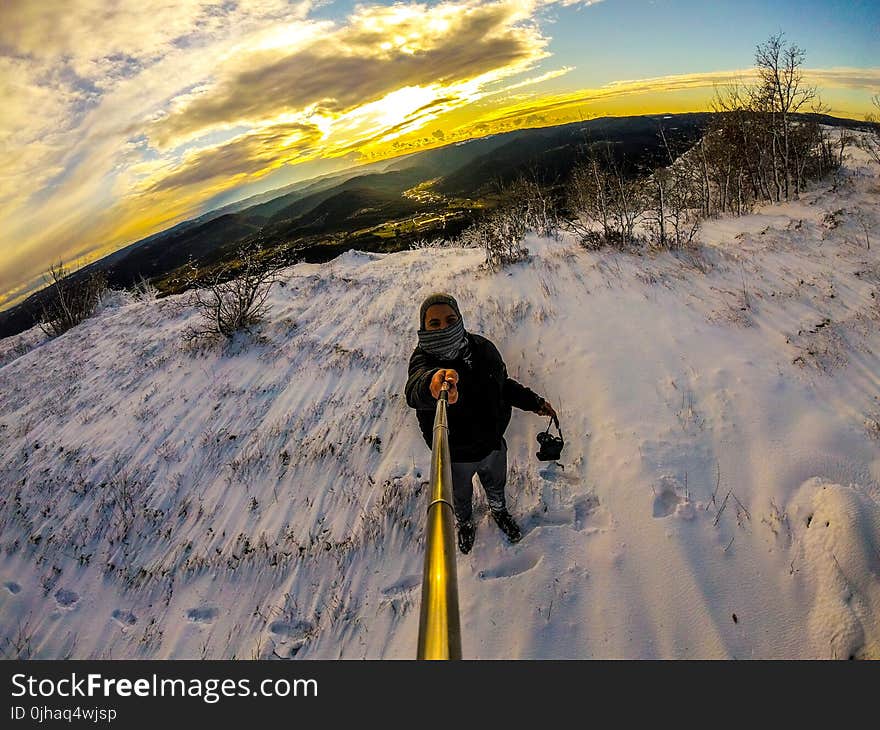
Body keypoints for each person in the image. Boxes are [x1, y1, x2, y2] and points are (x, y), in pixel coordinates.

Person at [404, 292, 558, 554]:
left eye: (450, 319)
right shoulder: (424, 362)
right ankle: (465, 523)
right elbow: (415, 389)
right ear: (424, 328)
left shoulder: (483, 348)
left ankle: (498, 511)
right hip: (456, 456)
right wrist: (433, 386)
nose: (444, 327)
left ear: (460, 319)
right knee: (461, 497)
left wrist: (534, 402)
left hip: (493, 445)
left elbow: (503, 386)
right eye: (435, 323)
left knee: (496, 485)